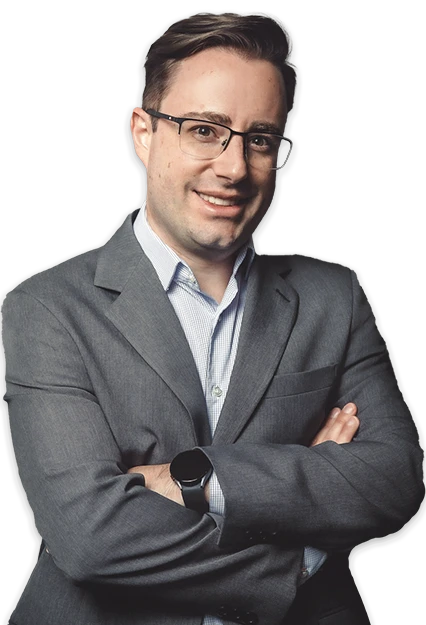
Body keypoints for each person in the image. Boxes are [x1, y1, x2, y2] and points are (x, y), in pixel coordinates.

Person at [1, 10, 424, 625]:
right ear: (143, 134)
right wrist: (300, 550)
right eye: (204, 130)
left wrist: (194, 479)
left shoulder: (335, 296)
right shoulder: (47, 307)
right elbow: (90, 535)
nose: (234, 168)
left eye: (260, 139)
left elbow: (393, 480)